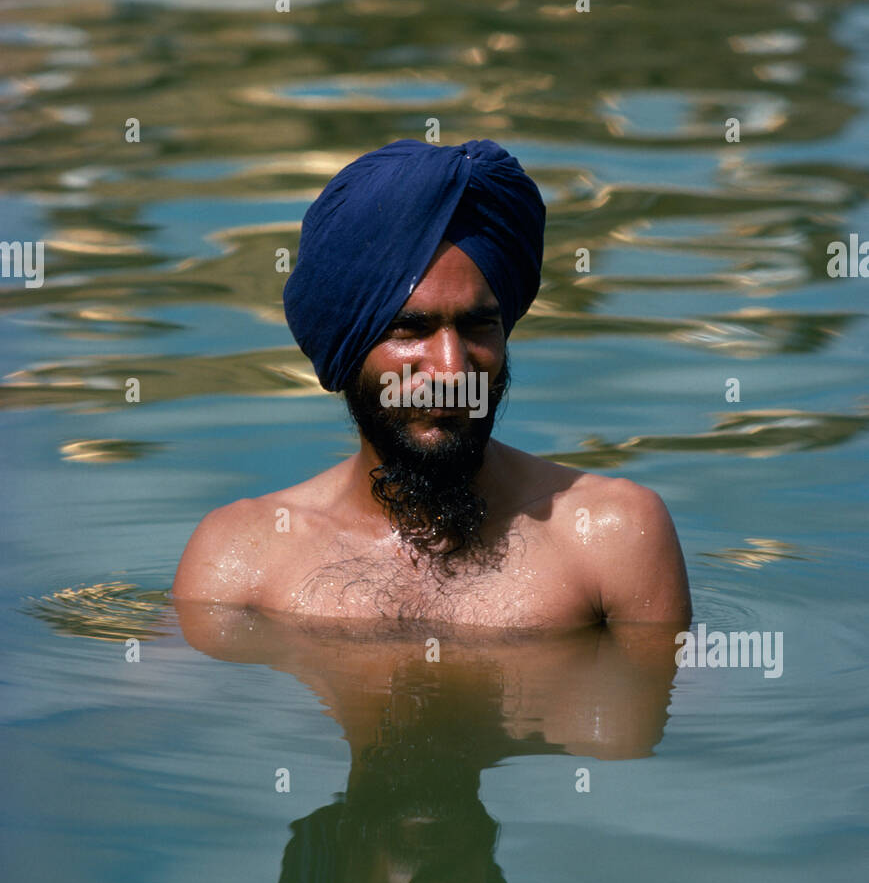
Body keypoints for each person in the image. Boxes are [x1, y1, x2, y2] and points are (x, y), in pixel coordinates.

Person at [172, 138, 691, 629]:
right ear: (346, 346)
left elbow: (682, 710)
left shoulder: (612, 538)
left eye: (476, 325)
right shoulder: (242, 558)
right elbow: (152, 713)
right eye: (409, 329)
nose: (450, 369)